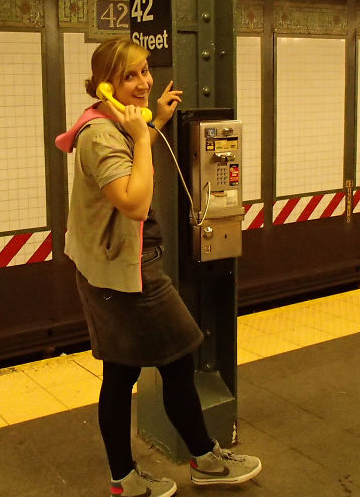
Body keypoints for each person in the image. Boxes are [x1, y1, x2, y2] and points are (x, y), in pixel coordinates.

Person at [55, 38, 262, 496]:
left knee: (125, 373)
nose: (143, 82)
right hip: (129, 274)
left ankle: (130, 478)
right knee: (177, 355)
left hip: (116, 268)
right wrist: (142, 134)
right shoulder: (100, 135)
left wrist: (156, 123)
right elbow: (133, 201)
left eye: (145, 70)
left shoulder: (110, 124)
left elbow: (129, 162)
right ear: (105, 84)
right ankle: (202, 460)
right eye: (129, 75)